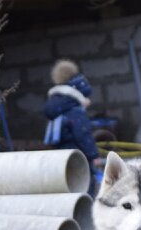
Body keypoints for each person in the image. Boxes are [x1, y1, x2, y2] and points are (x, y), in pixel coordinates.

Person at [44, 59, 105, 192]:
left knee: (69, 187)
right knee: (85, 187)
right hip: (79, 155)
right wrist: (94, 155)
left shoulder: (58, 105)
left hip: (62, 155)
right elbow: (82, 134)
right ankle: (86, 211)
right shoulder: (74, 109)